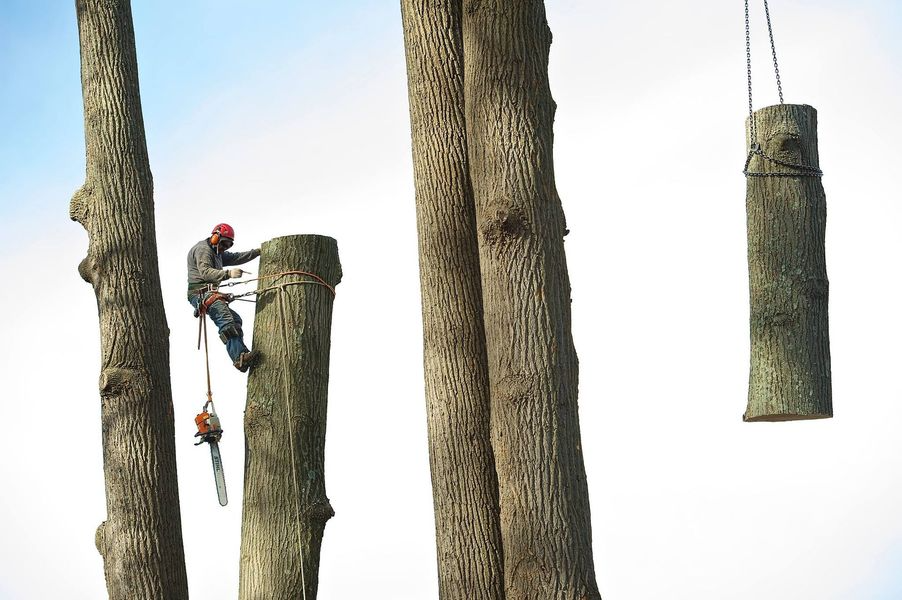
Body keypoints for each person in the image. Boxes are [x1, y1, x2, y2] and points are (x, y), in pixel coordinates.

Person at [187, 223, 261, 372]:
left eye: (228, 245)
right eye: (223, 243)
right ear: (215, 237)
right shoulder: (203, 250)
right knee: (225, 317)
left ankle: (243, 355)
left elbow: (237, 257)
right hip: (199, 294)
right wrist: (228, 274)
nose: (225, 248)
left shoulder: (217, 252)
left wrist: (258, 252)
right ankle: (238, 356)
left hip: (210, 293)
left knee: (236, 320)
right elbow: (206, 273)